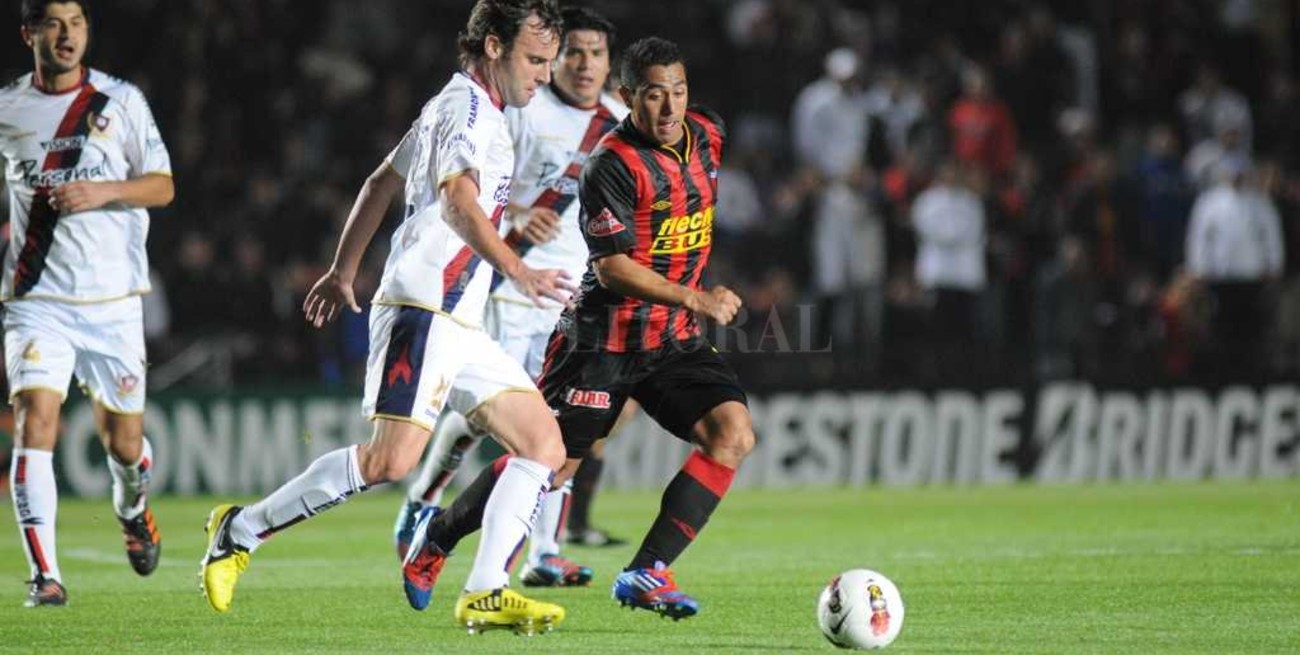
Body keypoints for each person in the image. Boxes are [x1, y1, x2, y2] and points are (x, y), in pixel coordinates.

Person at [199, 0, 573, 635]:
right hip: (424, 308)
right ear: (492, 47)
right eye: (534, 60)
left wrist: (344, 269)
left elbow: (380, 183)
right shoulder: (467, 109)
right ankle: (240, 529)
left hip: (459, 322)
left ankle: (485, 590)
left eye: (549, 62)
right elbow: (458, 204)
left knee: (544, 444)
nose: (544, 75)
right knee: (389, 463)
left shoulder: (454, 107)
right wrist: (517, 267)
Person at [402, 36, 756, 621]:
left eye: (678, 92)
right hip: (601, 340)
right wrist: (696, 296)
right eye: (652, 96)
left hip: (669, 339)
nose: (669, 109)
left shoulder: (709, 134)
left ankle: (647, 571)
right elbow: (613, 269)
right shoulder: (610, 164)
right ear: (627, 98)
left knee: (733, 434)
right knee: (549, 464)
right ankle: (436, 538)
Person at [392, 6, 629, 588]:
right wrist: (522, 215)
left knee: (559, 423)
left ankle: (543, 552)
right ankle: (426, 492)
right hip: (504, 280)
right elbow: (484, 185)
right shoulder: (525, 106)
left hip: (572, 294)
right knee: (493, 420)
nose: (582, 65)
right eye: (572, 52)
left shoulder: (617, 121)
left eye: (596, 54)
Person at [1, 0, 174, 608]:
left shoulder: (120, 102)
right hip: (35, 299)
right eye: (52, 22)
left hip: (113, 303)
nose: (66, 34)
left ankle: (133, 506)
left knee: (125, 447)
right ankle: (45, 576)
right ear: (29, 34)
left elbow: (163, 185)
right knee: (35, 422)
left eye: (76, 22)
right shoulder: (7, 110)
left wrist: (104, 191)